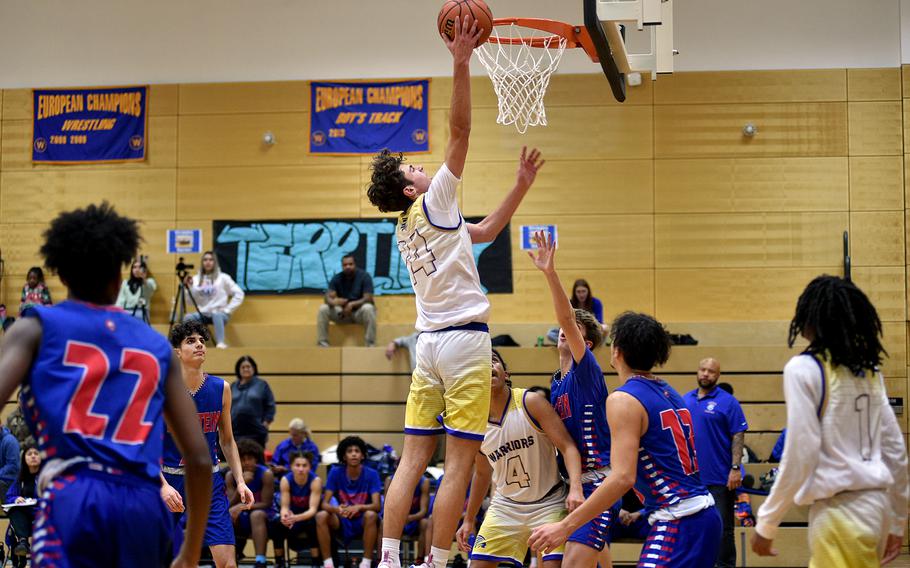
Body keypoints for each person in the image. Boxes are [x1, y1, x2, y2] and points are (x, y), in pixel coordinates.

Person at [367, 17, 544, 568]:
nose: (423, 166)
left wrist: (519, 188)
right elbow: (461, 133)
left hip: (428, 349)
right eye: (412, 167)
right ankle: (438, 562)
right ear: (407, 187)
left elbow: (486, 233)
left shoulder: (407, 227)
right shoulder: (435, 200)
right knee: (461, 463)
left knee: (412, 460)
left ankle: (391, 558)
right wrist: (461, 59)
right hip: (466, 346)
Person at [0, 202, 212, 568]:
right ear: (119, 276)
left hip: (74, 496)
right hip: (145, 506)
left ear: (62, 276)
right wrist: (191, 553)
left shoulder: (35, 327)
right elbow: (199, 458)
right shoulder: (157, 347)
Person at [529, 308, 722, 567]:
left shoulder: (623, 399)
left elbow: (622, 477)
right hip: (704, 515)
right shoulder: (670, 393)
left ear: (616, 351)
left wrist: (564, 526)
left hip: (678, 517)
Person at [751, 275, 909, 566]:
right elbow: (896, 452)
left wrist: (767, 521)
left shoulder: (803, 368)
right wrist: (898, 521)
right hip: (877, 508)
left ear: (809, 318)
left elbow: (801, 452)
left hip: (840, 514)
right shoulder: (869, 370)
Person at [527, 232, 615, 567]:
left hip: (599, 482)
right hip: (578, 484)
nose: (565, 328)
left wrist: (550, 273)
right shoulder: (556, 381)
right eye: (566, 326)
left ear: (587, 343)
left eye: (576, 328)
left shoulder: (586, 370)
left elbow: (566, 317)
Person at [454, 349, 584, 568]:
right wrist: (468, 519)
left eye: (493, 361)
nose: (488, 367)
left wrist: (576, 488)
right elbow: (483, 473)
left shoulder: (530, 402)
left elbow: (568, 446)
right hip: (506, 506)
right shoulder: (475, 423)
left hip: (549, 501)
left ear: (506, 374)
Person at [161, 319, 254, 568]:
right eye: (191, 341)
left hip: (209, 480)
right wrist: (161, 486)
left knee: (227, 564)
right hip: (170, 482)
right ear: (177, 352)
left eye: (202, 340)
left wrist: (240, 480)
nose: (199, 344)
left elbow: (227, 440)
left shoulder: (221, 388)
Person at [683, 357, 748, 568]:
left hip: (720, 478)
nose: (705, 374)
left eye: (711, 371)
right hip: (691, 479)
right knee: (692, 527)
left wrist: (735, 468)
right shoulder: (685, 400)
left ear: (717, 375)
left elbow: (738, 434)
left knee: (723, 529)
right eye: (702, 369)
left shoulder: (728, 401)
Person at [316, 436, 382, 568]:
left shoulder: (372, 474)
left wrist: (358, 507)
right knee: (321, 515)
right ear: (344, 456)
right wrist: (337, 510)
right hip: (342, 519)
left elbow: (377, 506)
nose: (353, 454)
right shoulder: (335, 472)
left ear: (362, 455)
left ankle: (366, 563)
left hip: (362, 520)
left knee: (371, 515)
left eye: (357, 451)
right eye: (349, 451)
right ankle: (328, 563)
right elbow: (324, 504)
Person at [227, 438, 276, 568]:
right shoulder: (231, 475)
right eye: (243, 459)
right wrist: (242, 485)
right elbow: (231, 504)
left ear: (256, 459)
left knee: (256, 515)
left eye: (250, 458)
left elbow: (266, 503)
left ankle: (260, 560)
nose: (247, 462)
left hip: (263, 515)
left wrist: (242, 507)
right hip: (241, 516)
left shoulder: (266, 474)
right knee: (228, 515)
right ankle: (229, 558)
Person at [183, 250, 245, 349]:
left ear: (215, 262)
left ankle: (220, 342)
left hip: (220, 314)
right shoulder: (195, 279)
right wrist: (189, 288)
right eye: (205, 260)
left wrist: (228, 310)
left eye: (211, 260)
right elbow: (190, 302)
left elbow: (239, 294)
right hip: (203, 313)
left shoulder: (223, 278)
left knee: (217, 314)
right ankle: (192, 344)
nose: (208, 262)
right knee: (187, 317)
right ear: (202, 262)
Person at [275, 451, 323, 568]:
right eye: (297, 465)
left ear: (310, 467)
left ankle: (316, 561)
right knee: (277, 524)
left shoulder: (315, 481)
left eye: (304, 465)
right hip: (293, 514)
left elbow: (312, 509)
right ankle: (279, 562)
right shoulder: (286, 480)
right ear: (291, 466)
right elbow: (285, 506)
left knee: (313, 524)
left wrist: (295, 518)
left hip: (308, 516)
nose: (301, 469)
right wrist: (284, 517)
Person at [317, 255, 377, 347]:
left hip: (359, 314)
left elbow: (368, 298)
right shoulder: (337, 278)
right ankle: (322, 343)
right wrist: (334, 302)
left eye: (350, 264)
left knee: (368, 308)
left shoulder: (364, 276)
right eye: (345, 265)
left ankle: (370, 344)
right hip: (343, 314)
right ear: (342, 266)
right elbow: (327, 297)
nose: (348, 266)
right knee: (323, 308)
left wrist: (352, 304)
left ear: (355, 264)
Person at [5, 442, 41, 567]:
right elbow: (8, 497)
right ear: (24, 458)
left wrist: (37, 502)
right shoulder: (20, 478)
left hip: (41, 516)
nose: (33, 456)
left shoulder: (46, 477)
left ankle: (23, 542)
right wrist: (16, 499)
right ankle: (23, 543)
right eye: (29, 454)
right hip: (24, 518)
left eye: (36, 453)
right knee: (13, 511)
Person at [231, 355, 276, 448]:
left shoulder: (262, 385)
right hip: (235, 430)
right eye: (243, 367)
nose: (246, 369)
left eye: (248, 367)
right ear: (238, 369)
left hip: (256, 430)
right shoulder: (233, 386)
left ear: (254, 368)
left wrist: (266, 423)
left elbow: (270, 406)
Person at [545, 279, 605, 344]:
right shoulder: (570, 303)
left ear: (588, 291)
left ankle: (583, 344)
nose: (581, 294)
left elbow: (599, 322)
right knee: (550, 333)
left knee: (605, 328)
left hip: (589, 331)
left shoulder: (596, 302)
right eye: (578, 292)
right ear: (575, 293)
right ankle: (574, 344)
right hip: (573, 331)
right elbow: (565, 321)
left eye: (583, 291)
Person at [115, 256, 157, 322]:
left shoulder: (149, 281)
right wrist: (117, 313)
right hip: (127, 311)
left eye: (139, 267)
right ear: (131, 270)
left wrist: (144, 279)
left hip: (142, 311)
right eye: (134, 267)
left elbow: (148, 293)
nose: (137, 269)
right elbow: (120, 300)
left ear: (144, 270)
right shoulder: (125, 283)